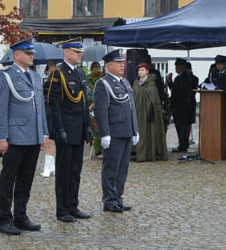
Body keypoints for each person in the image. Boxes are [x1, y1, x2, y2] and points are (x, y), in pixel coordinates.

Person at [0, 38, 49, 235]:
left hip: (33, 136)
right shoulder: (6, 76)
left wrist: (43, 133)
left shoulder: (35, 76)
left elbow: (40, 108)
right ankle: (5, 219)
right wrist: (1, 137)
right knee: (8, 180)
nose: (32, 56)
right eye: (28, 53)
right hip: (15, 136)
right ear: (17, 55)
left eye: (32, 53)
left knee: (26, 180)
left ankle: (21, 216)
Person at [47, 38, 93, 222]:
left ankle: (73, 205)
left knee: (75, 171)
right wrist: (59, 129)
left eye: (80, 52)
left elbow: (84, 103)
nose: (79, 54)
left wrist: (88, 126)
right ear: (66, 52)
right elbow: (54, 104)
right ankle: (62, 209)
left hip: (79, 129)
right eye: (76, 51)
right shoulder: (58, 74)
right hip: (65, 130)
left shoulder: (80, 72)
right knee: (64, 171)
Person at [93, 49, 139, 213]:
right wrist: (104, 133)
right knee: (111, 169)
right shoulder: (103, 84)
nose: (122, 65)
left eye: (123, 62)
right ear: (109, 65)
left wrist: (135, 130)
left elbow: (132, 108)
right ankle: (109, 200)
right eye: (118, 63)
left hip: (126, 131)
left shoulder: (125, 82)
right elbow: (101, 111)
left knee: (122, 169)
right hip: (113, 133)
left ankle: (118, 198)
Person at [132, 62, 168, 162]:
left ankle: (147, 154)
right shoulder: (136, 83)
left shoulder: (151, 84)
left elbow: (153, 98)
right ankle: (139, 152)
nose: (140, 72)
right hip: (138, 112)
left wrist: (151, 111)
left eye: (143, 70)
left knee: (148, 132)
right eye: (139, 70)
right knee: (139, 132)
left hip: (148, 112)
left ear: (147, 72)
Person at [166, 58, 193, 153]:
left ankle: (183, 145)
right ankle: (182, 144)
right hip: (178, 106)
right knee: (180, 126)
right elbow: (174, 89)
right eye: (175, 66)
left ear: (182, 67)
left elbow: (179, 93)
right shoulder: (179, 77)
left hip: (182, 106)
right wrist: (169, 81)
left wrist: (171, 99)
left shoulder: (185, 77)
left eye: (177, 66)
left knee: (181, 127)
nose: (176, 68)